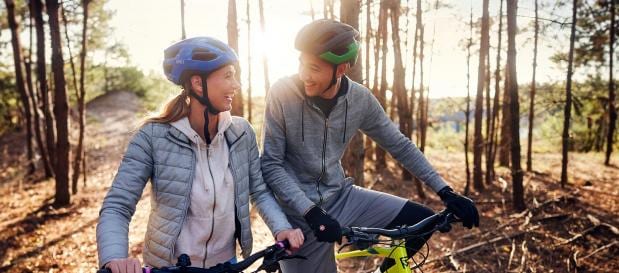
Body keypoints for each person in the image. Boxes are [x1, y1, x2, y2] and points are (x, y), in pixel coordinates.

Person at [261, 19, 479, 273]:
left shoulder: (359, 99)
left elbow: (399, 145)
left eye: (314, 68)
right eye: (301, 63)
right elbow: (271, 163)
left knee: (420, 222)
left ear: (340, 69)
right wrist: (310, 212)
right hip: (298, 214)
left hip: (341, 196)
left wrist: (446, 191)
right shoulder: (282, 93)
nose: (304, 75)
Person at [96, 37, 304, 273]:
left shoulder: (240, 132)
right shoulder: (153, 137)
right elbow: (118, 205)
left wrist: (281, 228)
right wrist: (114, 257)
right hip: (170, 268)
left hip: (227, 265)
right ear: (197, 83)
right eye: (227, 76)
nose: (236, 85)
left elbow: (259, 191)